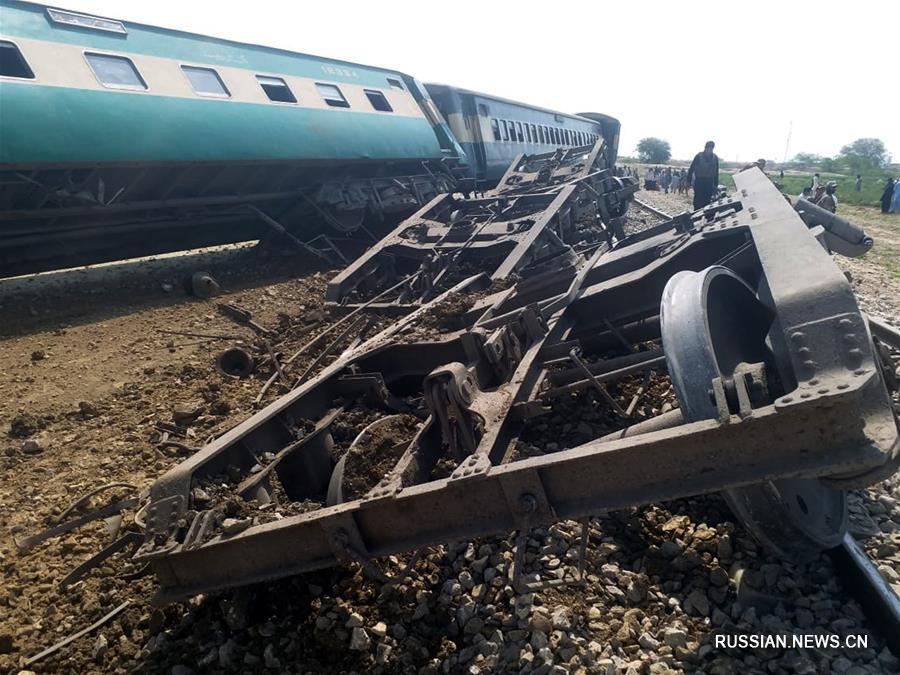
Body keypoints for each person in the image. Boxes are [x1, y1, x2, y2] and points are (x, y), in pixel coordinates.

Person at [687, 141, 719, 209]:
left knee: (707, 200)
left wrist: (716, 185)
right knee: (698, 200)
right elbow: (691, 168)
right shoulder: (698, 156)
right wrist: (688, 181)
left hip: (709, 182)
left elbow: (716, 172)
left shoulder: (715, 158)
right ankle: (696, 214)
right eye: (708, 147)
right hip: (699, 181)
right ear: (705, 147)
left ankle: (706, 216)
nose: (709, 149)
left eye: (711, 148)